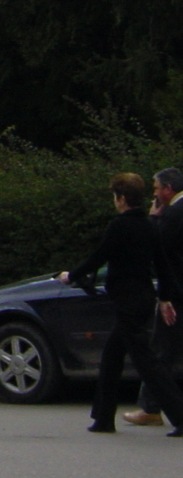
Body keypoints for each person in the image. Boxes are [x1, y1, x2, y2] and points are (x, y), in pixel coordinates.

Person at [58, 172, 183, 436]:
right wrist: (166, 298)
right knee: (112, 358)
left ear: (122, 198)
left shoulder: (121, 226)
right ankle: (103, 418)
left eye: (115, 196)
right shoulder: (150, 225)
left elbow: (99, 257)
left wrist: (70, 276)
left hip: (127, 300)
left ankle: (180, 416)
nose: (115, 201)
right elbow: (162, 265)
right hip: (143, 298)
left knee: (147, 362)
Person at [126, 167, 183, 425]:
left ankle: (151, 407)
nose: (155, 193)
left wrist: (152, 218)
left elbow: (156, 249)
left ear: (168, 189)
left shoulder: (174, 213)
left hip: (176, 293)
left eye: (157, 188)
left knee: (162, 351)